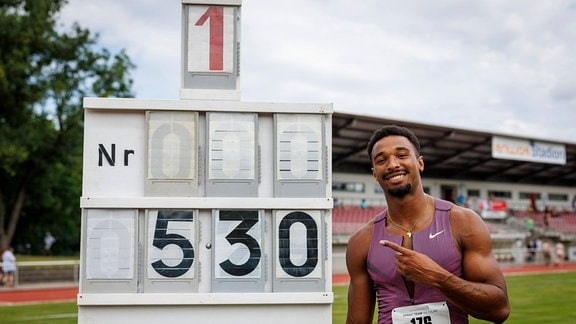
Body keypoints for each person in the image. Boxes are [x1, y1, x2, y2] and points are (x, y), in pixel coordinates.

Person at [345, 125, 509, 324]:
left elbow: (499, 310)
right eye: (382, 160)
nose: (392, 164)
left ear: (420, 163)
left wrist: (437, 277)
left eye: (402, 155)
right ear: (374, 173)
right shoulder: (361, 241)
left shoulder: (463, 222)